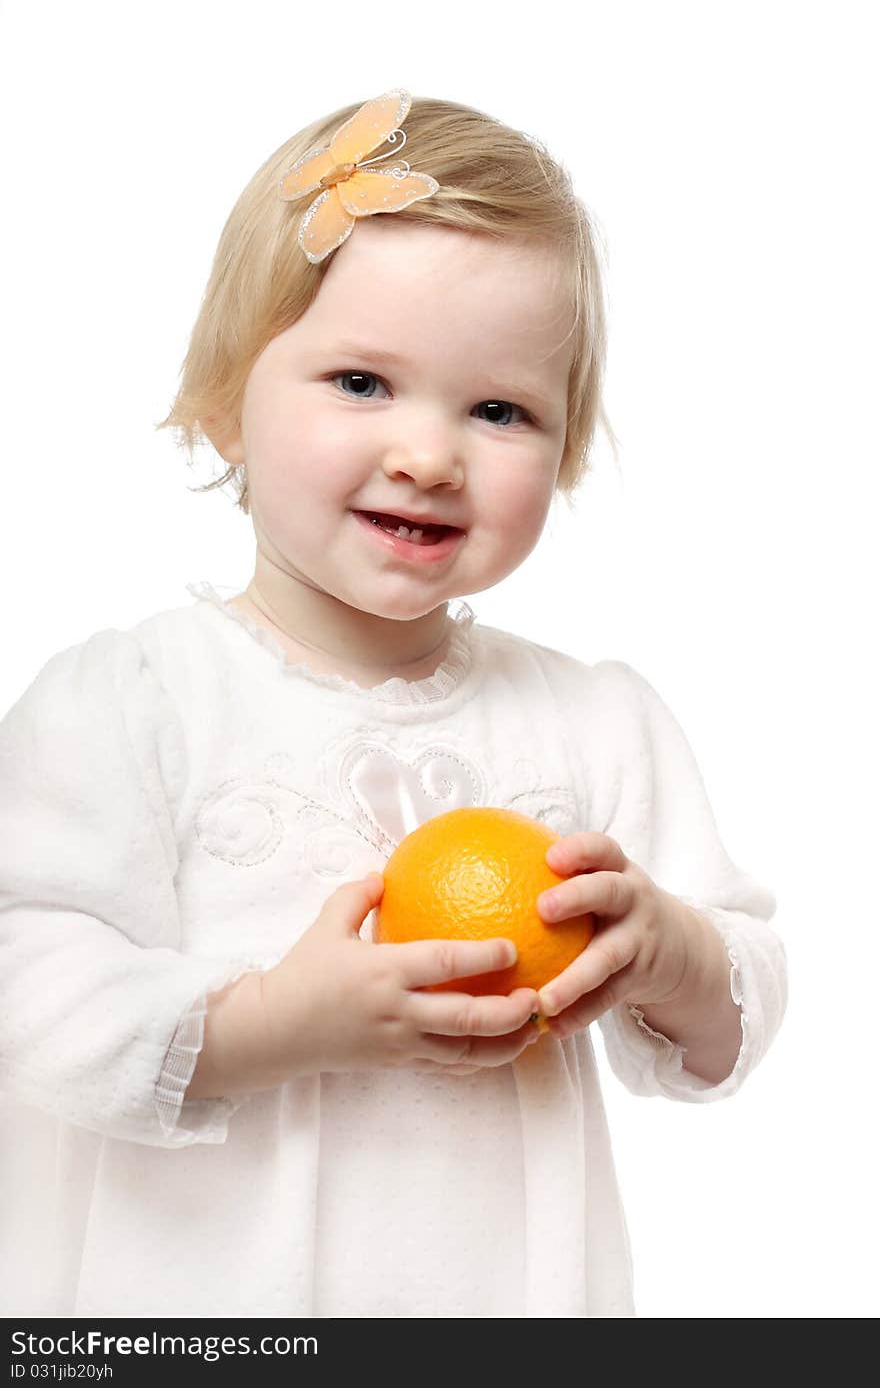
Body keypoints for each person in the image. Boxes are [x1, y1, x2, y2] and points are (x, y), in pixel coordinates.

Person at [0, 89, 787, 1319]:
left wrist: (669, 949)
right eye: (362, 381)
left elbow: (736, 1007)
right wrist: (268, 1022)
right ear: (223, 400)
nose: (429, 453)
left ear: (565, 447)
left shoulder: (587, 722)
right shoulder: (133, 702)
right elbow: (27, 982)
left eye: (498, 409)